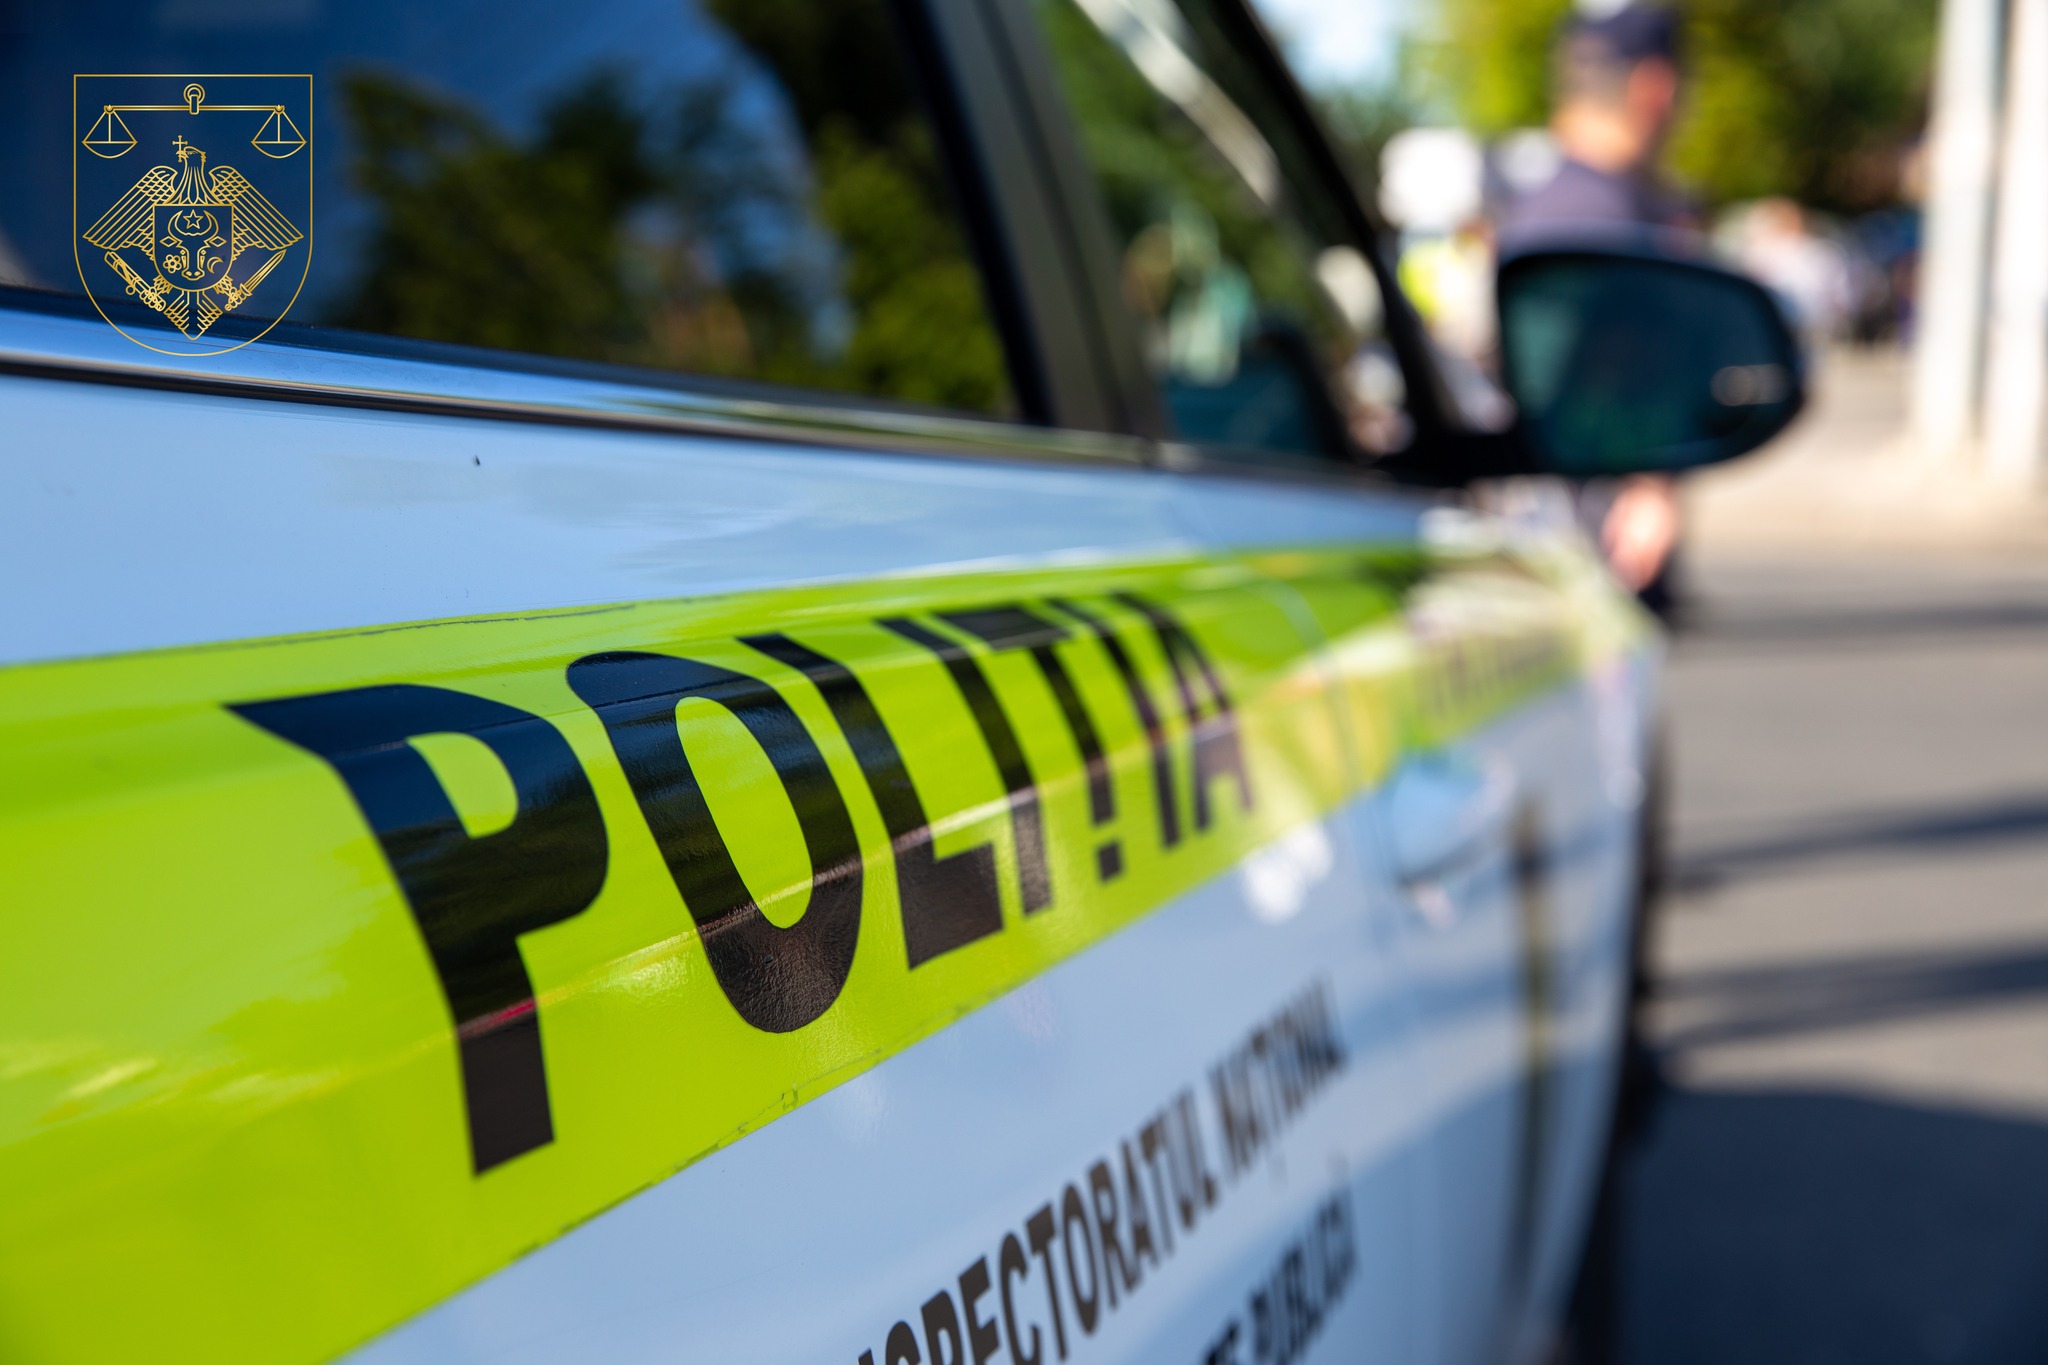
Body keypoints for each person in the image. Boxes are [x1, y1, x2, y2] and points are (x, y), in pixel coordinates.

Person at [1499, 1, 1692, 620]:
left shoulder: (1553, 205)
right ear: (1653, 87)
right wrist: (1649, 486)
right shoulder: (1605, 222)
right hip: (1593, 545)